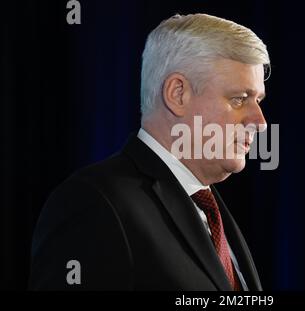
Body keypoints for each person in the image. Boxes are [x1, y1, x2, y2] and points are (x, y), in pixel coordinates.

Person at [28, 13, 270, 290]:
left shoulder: (209, 208)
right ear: (178, 94)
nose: (260, 122)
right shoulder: (94, 204)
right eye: (239, 99)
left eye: (258, 100)